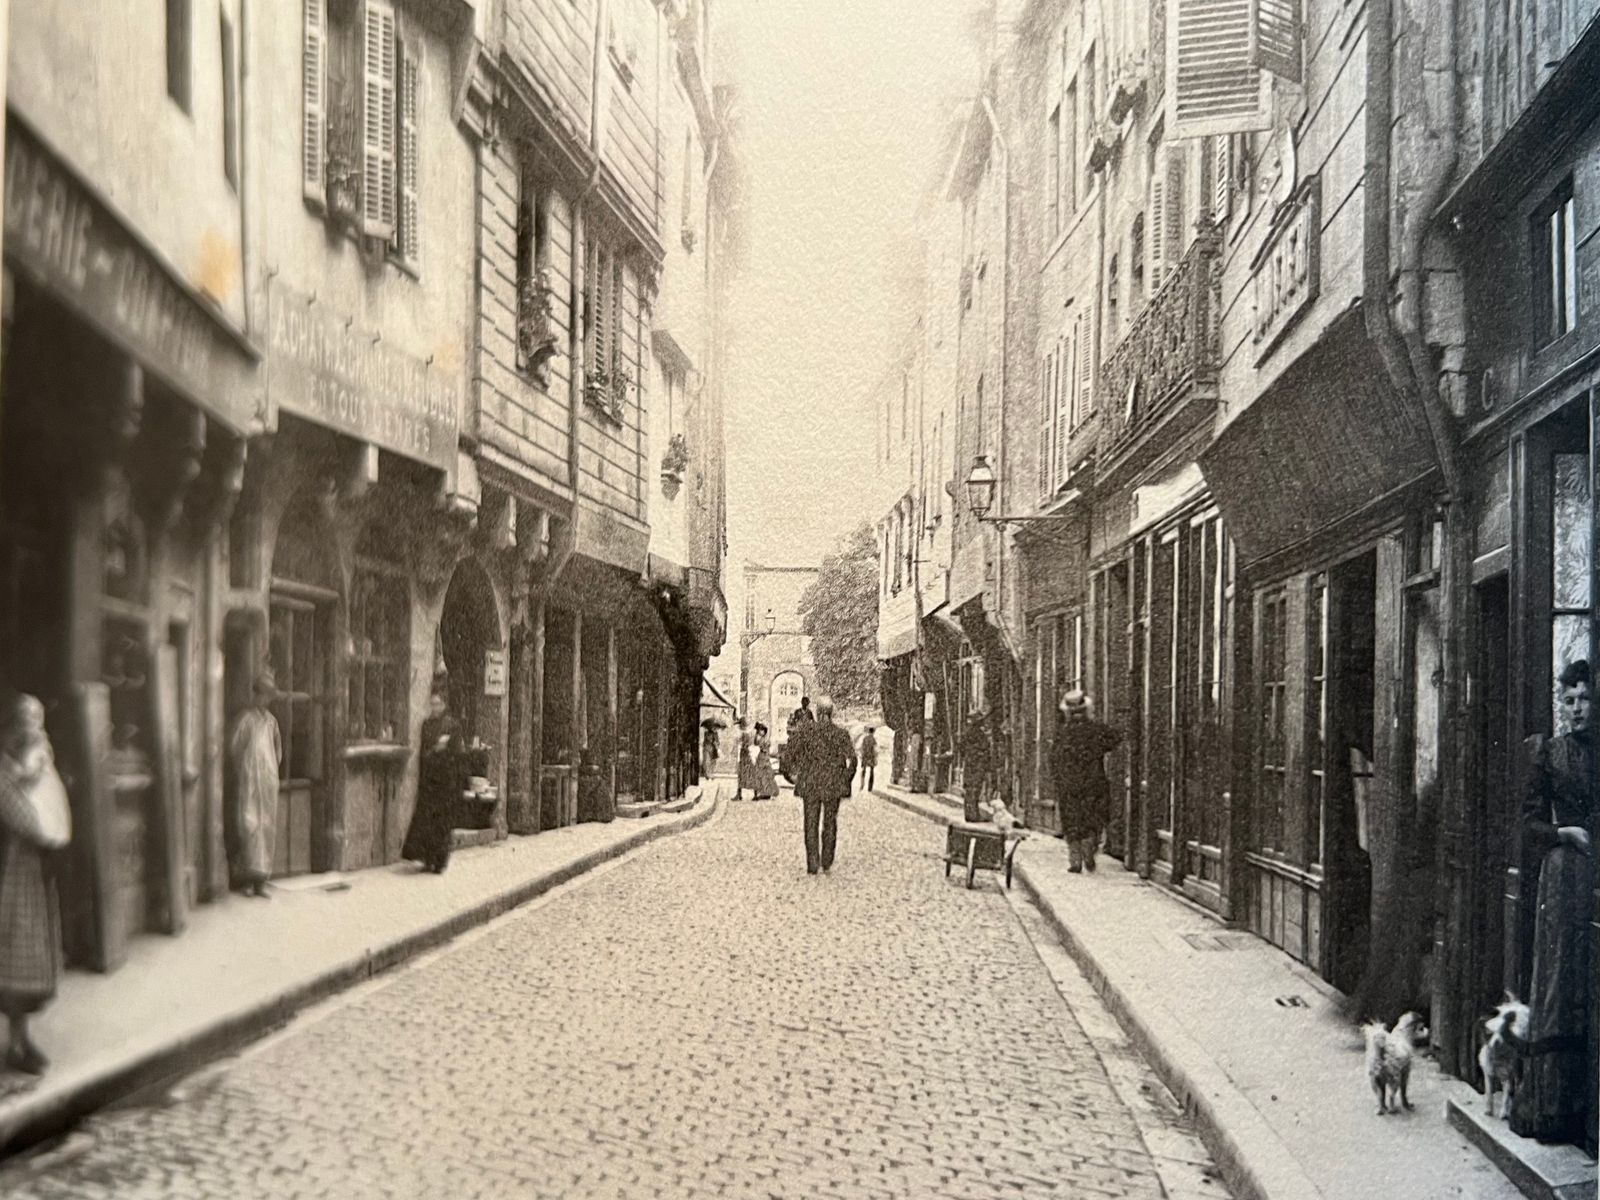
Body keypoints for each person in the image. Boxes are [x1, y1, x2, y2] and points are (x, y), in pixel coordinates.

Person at [1512, 659, 1595, 1149]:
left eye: (1583, 698)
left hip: (1596, 875)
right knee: (1563, 980)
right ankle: (1557, 1111)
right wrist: (1562, 832)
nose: (1576, 708)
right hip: (1564, 878)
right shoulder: (1550, 754)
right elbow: (1527, 826)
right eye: (1568, 700)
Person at [0, 693, 71, 1075]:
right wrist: (49, 831)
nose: (32, 731)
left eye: (36, 723)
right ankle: (14, 1045)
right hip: (12, 875)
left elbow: (50, 799)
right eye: (25, 724)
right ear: (10, 730)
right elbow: (27, 820)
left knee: (30, 960)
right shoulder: (3, 775)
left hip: (33, 874)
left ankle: (22, 1040)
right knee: (14, 962)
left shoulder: (36, 763)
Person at [1050, 690, 1123, 874]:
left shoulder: (1063, 733)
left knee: (1071, 821)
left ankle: (1075, 859)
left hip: (1069, 785)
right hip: (1093, 782)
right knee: (1092, 819)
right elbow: (1115, 738)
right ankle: (1089, 850)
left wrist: (1059, 779)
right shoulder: (1095, 729)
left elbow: (1053, 759)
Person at [229, 670, 282, 899]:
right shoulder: (246, 719)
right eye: (262, 695)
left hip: (267, 780)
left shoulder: (271, 722)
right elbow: (234, 747)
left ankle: (261, 881)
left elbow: (278, 749)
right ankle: (247, 880)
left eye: (269, 696)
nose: (265, 700)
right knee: (249, 824)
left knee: (266, 827)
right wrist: (245, 769)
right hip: (250, 779)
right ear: (255, 695)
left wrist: (271, 769)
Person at [402, 690, 467, 874]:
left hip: (446, 782)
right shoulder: (427, 725)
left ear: (444, 705)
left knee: (442, 823)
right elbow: (423, 752)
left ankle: (440, 862)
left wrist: (445, 752)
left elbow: (458, 755)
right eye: (432, 704)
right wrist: (435, 751)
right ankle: (427, 859)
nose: (435, 708)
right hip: (430, 781)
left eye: (438, 704)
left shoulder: (453, 726)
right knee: (428, 822)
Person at [792, 697, 855, 875]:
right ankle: (827, 860)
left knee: (810, 823)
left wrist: (794, 776)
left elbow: (791, 755)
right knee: (830, 822)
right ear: (831, 712)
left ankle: (813, 863)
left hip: (810, 784)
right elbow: (852, 761)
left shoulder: (806, 731)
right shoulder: (841, 734)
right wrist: (845, 780)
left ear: (818, 713)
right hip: (833, 785)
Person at [961, 712, 992, 823]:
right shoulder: (978, 734)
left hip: (970, 764)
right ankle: (973, 814)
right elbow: (984, 748)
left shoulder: (967, 732)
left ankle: (970, 814)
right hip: (976, 764)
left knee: (970, 789)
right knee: (974, 788)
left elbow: (962, 748)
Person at [752, 723, 778, 800]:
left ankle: (767, 793)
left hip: (765, 757)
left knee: (766, 775)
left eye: (761, 730)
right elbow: (755, 743)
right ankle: (763, 793)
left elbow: (765, 747)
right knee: (760, 775)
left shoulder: (765, 739)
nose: (760, 732)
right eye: (759, 730)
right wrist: (756, 734)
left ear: (764, 731)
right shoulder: (759, 738)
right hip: (761, 757)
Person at [734, 720, 757, 800]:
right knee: (748, 775)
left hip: (745, 756)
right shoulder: (746, 733)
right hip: (746, 755)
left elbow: (745, 744)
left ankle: (740, 794)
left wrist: (740, 743)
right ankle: (741, 794)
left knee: (743, 775)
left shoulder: (744, 733)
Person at [856, 725, 878, 793]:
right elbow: (875, 749)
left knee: (863, 770)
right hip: (871, 756)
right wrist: (875, 757)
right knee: (871, 771)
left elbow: (862, 747)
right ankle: (870, 787)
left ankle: (862, 785)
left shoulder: (865, 738)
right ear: (873, 732)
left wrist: (862, 754)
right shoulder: (873, 739)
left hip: (865, 756)